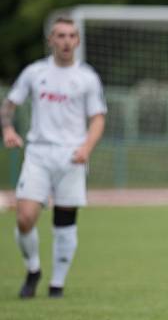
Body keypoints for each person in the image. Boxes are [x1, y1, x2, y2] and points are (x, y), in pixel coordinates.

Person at [1, 17, 107, 299]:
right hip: (38, 152)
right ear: (50, 40)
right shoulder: (35, 73)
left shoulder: (87, 77)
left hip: (71, 155)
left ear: (78, 41)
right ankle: (33, 268)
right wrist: (8, 128)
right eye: (60, 35)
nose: (66, 41)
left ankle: (57, 285)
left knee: (64, 220)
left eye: (71, 35)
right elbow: (9, 104)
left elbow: (97, 119)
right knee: (25, 218)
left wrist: (86, 147)